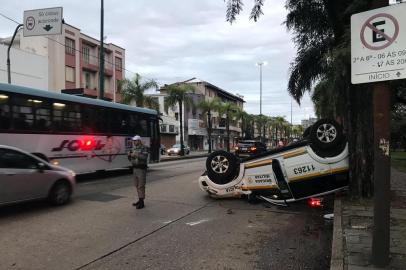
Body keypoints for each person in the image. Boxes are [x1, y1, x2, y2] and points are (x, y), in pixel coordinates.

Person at [127, 135, 149, 209]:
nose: (134, 142)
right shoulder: (133, 148)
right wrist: (129, 155)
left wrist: (135, 155)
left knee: (141, 186)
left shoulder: (144, 148)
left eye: (135, 140)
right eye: (133, 140)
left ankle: (142, 202)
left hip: (141, 169)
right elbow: (130, 159)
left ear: (139, 141)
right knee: (136, 185)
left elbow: (144, 157)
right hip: (135, 168)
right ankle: (140, 200)